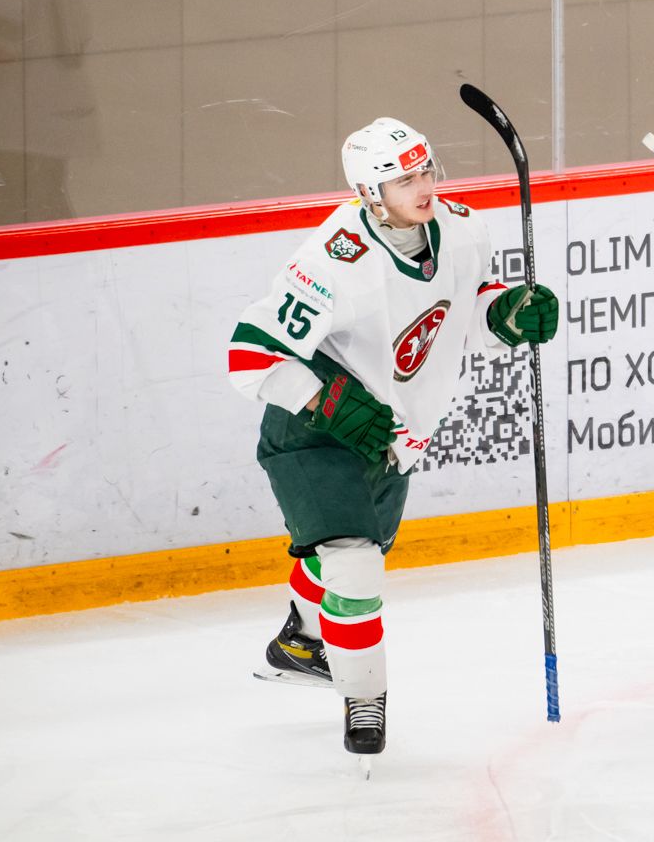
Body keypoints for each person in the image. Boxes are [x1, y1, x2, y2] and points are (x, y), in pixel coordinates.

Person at [228, 117, 559, 754]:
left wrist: (505, 314)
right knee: (354, 566)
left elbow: (465, 307)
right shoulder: (332, 260)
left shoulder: (463, 229)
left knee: (345, 553)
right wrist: (324, 400)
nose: (424, 187)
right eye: (404, 180)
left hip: (393, 432)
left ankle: (301, 641)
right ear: (369, 194)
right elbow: (249, 355)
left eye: (426, 171)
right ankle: (364, 700)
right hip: (313, 430)